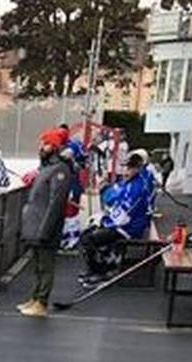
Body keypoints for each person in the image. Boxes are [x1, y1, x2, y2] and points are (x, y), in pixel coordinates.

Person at [16, 129, 74, 317]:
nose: (42, 147)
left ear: (55, 147)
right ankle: (35, 298)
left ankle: (42, 301)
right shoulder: (47, 168)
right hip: (36, 225)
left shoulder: (60, 170)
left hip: (45, 228)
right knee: (38, 266)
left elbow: (55, 204)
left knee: (46, 266)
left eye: (46, 144)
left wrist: (44, 230)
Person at [78, 152, 153, 283]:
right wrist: (103, 218)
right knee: (88, 232)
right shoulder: (129, 183)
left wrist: (104, 221)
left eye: (130, 168)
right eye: (124, 167)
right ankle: (103, 265)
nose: (126, 171)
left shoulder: (137, 188)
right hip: (124, 224)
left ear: (138, 169)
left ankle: (100, 271)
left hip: (129, 228)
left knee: (89, 239)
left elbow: (124, 216)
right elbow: (116, 204)